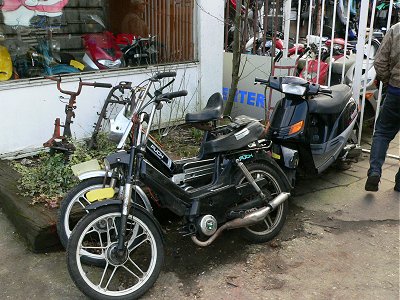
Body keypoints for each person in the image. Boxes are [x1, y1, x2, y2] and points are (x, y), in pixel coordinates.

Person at [365, 22, 400, 192]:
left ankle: (375, 171)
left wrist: (389, 82)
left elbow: (379, 62)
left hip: (396, 91)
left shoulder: (396, 29)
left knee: (383, 132)